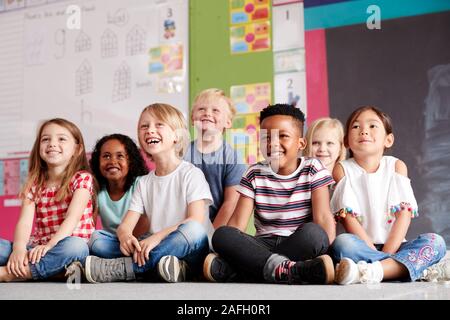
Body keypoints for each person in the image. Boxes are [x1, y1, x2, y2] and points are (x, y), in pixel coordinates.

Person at [203, 103, 336, 285]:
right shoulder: (254, 173)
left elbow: (323, 217)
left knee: (315, 234)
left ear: (301, 143)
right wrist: (228, 245)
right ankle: (295, 270)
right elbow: (237, 224)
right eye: (266, 137)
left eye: (283, 136)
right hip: (262, 244)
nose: (273, 143)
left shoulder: (313, 169)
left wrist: (331, 254)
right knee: (222, 234)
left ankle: (239, 272)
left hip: (298, 241)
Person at [84, 103, 213, 283]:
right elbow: (125, 226)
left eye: (159, 124)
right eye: (144, 126)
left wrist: (156, 238)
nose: (150, 130)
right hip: (155, 247)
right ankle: (162, 266)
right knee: (97, 239)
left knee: (193, 230)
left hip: (189, 248)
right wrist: (125, 237)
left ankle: (127, 269)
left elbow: (195, 220)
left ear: (177, 136)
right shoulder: (144, 182)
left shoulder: (191, 174)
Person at [330, 106, 447, 285]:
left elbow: (404, 214)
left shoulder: (396, 166)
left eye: (372, 126)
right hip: (361, 248)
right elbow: (348, 218)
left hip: (396, 246)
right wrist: (383, 256)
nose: (364, 131)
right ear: (346, 141)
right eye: (356, 127)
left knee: (436, 242)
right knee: (342, 244)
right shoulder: (342, 169)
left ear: (388, 139)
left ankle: (373, 271)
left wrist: (390, 251)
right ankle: (401, 268)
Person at [0, 118, 95, 282]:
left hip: (65, 246)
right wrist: (19, 249)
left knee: (76, 248)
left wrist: (50, 246)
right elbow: (24, 222)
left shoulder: (82, 179)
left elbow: (72, 218)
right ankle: (53, 270)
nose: (52, 144)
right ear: (38, 148)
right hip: (37, 248)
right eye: (45, 139)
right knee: (4, 248)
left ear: (77, 149)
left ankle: (12, 273)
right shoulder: (34, 183)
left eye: (61, 139)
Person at [185, 88, 247, 229]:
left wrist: (211, 238)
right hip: (186, 223)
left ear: (228, 122)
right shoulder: (182, 153)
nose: (207, 113)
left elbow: (230, 203)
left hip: (217, 225)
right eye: (201, 109)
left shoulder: (233, 157)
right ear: (192, 118)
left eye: (215, 110)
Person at [88, 134, 149, 258]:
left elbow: (145, 222)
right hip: (113, 243)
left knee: (151, 241)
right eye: (106, 156)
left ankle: (128, 260)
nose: (112, 161)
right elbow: (90, 226)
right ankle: (133, 261)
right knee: (95, 239)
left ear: (131, 161)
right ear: (97, 161)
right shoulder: (97, 190)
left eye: (120, 156)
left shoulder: (141, 183)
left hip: (141, 240)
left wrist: (130, 241)